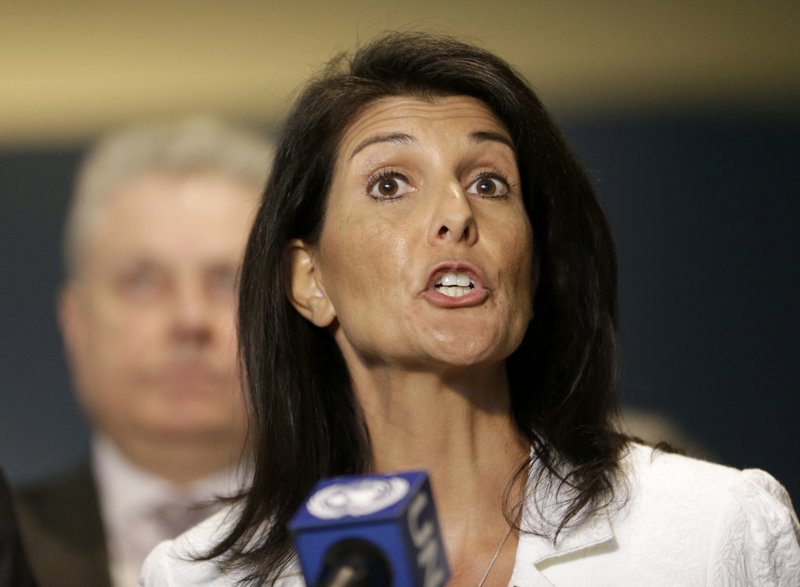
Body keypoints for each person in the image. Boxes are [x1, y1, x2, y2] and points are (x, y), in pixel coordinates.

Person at [141, 33, 800, 586]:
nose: (457, 214)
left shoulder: (712, 530)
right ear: (310, 280)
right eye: (390, 184)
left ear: (531, 264)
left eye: (489, 182)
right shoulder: (197, 577)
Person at [14, 117, 272, 587]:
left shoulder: (365, 550)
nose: (190, 319)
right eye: (143, 281)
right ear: (75, 323)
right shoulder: (11, 543)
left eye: (228, 281)